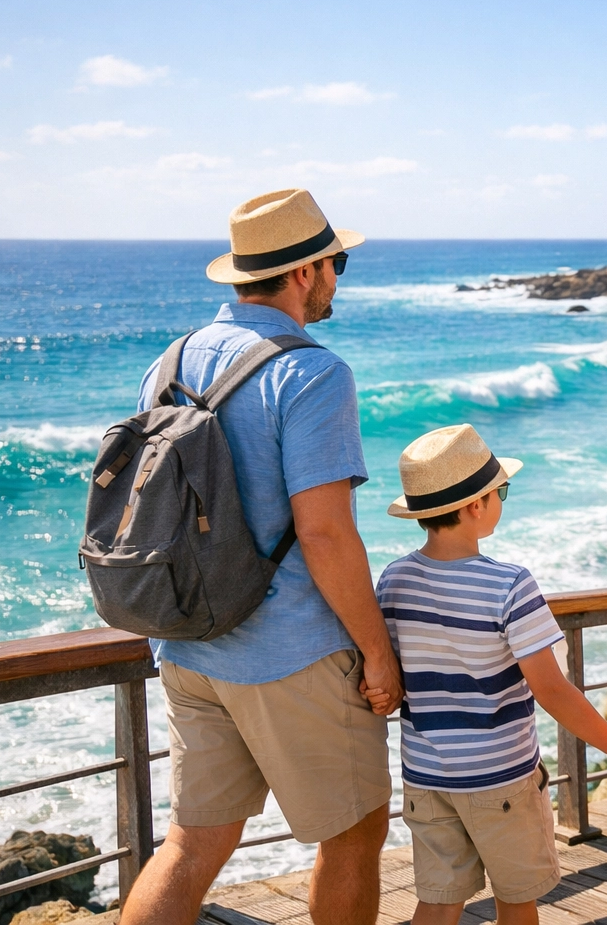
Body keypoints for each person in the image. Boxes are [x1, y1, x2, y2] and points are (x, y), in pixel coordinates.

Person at [120, 189, 402, 925]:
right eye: (336, 262)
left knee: (190, 844)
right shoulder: (312, 372)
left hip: (187, 643)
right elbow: (326, 534)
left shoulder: (168, 362)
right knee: (354, 831)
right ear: (306, 272)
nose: (340, 276)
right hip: (290, 653)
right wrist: (376, 652)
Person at [370, 424, 607, 925]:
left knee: (438, 902)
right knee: (517, 901)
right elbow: (551, 689)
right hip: (501, 779)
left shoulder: (394, 579)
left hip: (428, 776)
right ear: (475, 507)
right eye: (500, 490)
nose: (501, 499)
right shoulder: (510, 585)